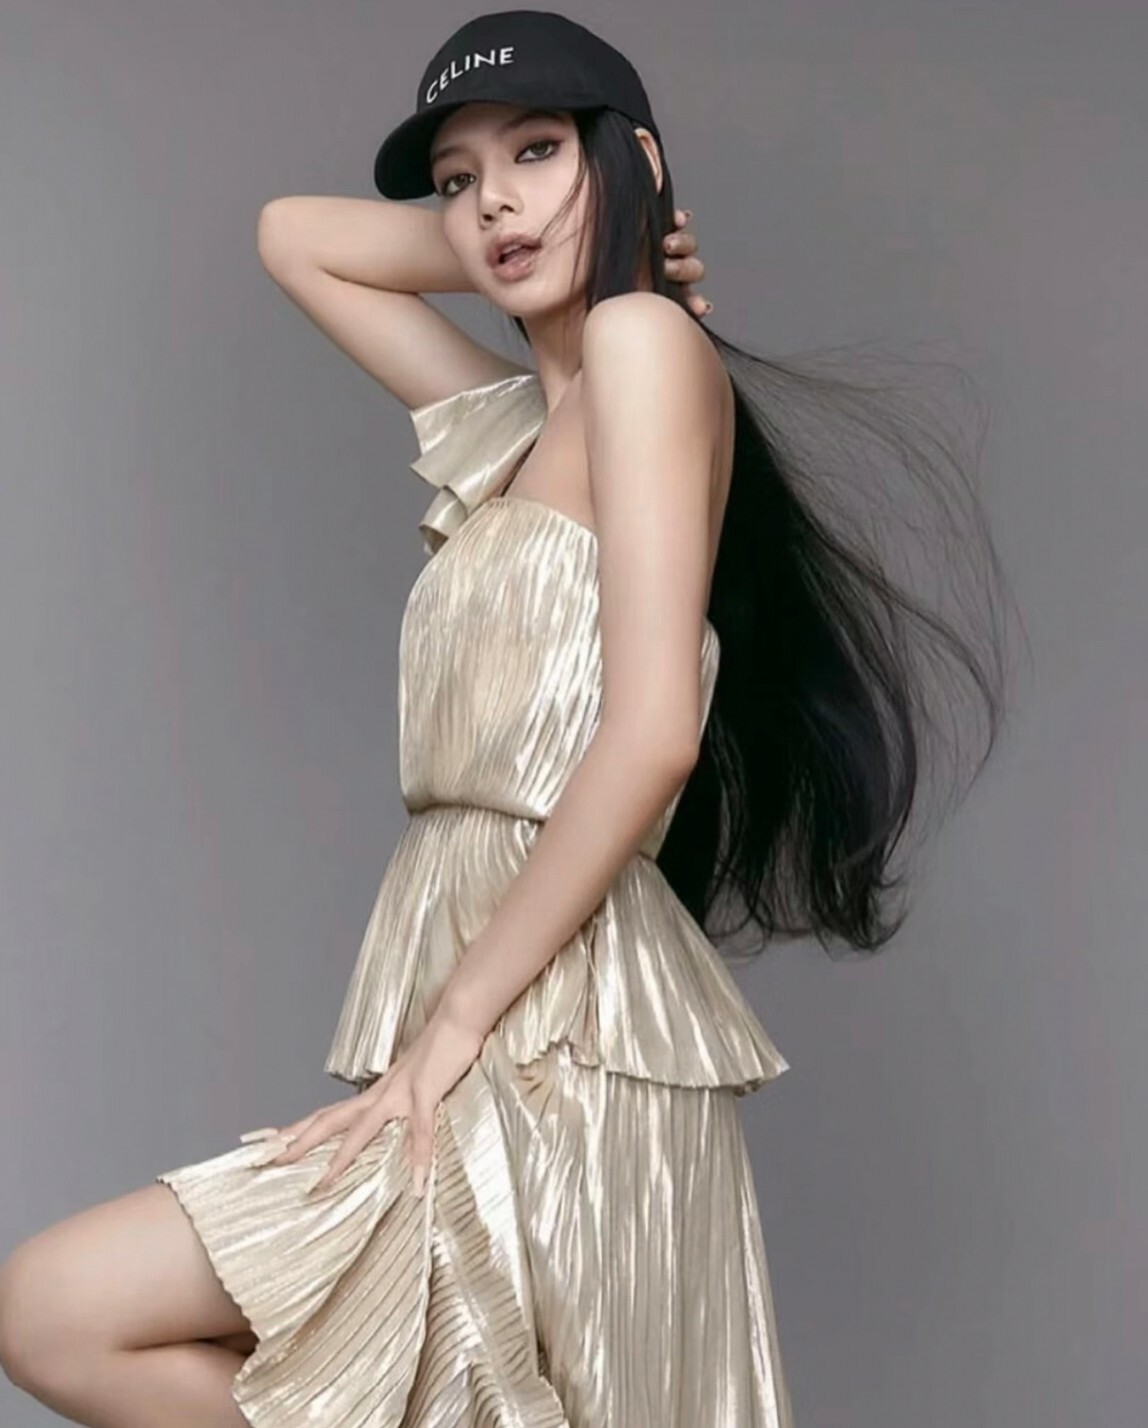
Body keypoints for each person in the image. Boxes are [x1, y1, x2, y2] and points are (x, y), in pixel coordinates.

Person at [0, 9, 1014, 1427]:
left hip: (558, 1021)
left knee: (87, 1312)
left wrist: (455, 1024)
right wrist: (518, 225)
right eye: (460, 179)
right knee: (108, 1325)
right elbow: (295, 236)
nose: (492, 202)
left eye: (538, 151)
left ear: (629, 156)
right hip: (480, 990)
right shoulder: (513, 430)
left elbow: (653, 730)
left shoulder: (645, 346)